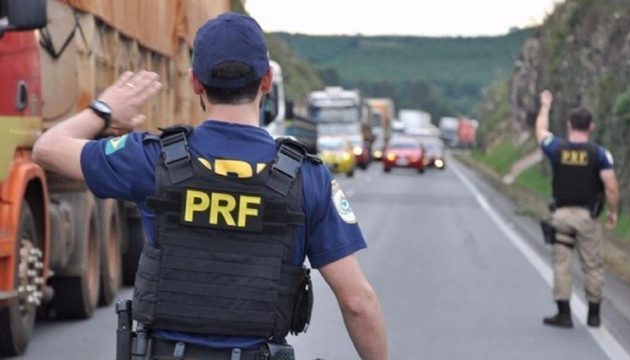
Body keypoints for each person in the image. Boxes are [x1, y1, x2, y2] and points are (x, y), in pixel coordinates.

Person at [33, 12, 388, 360]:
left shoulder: (152, 159)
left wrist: (104, 109)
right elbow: (358, 302)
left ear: (195, 83)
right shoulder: (307, 177)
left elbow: (47, 149)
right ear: (266, 80)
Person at [535, 90, 619, 329]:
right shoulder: (600, 154)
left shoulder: (557, 148)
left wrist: (545, 106)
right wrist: (613, 212)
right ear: (591, 127)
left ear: (569, 125)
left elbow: (540, 132)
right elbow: (611, 187)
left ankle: (564, 314)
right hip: (587, 217)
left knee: (562, 263)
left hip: (561, 215)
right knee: (592, 265)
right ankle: (594, 315)